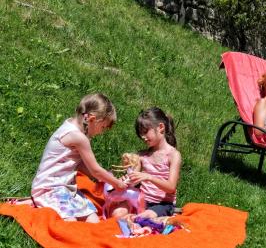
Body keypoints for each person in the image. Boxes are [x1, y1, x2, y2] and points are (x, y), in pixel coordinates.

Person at [30, 93, 127, 223]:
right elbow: (95, 170)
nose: (102, 132)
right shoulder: (79, 138)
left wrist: (106, 177)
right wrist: (117, 183)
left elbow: (79, 164)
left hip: (65, 188)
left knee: (94, 221)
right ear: (92, 119)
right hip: (48, 188)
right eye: (103, 127)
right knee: (71, 221)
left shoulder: (72, 125)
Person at [112, 107, 182, 219]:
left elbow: (171, 187)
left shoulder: (173, 155)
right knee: (117, 214)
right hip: (141, 199)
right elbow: (132, 181)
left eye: (145, 132)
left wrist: (149, 177)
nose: (143, 137)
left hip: (162, 204)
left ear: (160, 127)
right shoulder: (142, 155)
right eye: (141, 134)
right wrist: (125, 176)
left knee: (144, 218)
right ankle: (135, 220)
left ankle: (137, 220)